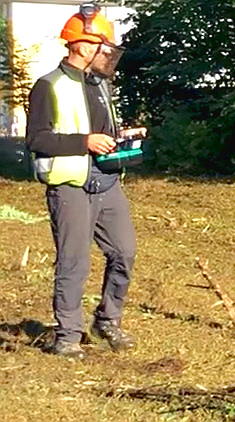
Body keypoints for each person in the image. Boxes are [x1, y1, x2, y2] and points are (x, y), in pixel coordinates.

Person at [26, 3, 145, 359]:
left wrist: (122, 136)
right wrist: (84, 142)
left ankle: (107, 320)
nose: (107, 53)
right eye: (102, 46)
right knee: (73, 262)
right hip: (70, 186)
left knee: (124, 252)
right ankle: (68, 336)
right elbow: (37, 140)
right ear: (81, 45)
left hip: (107, 183)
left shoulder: (100, 85)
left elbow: (101, 132)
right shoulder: (48, 85)